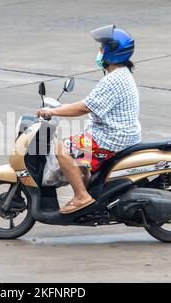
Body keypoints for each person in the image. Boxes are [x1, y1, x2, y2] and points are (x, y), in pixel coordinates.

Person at [36, 25, 141, 214]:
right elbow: (90, 102)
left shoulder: (112, 80)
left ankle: (81, 197)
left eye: (102, 48)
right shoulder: (122, 75)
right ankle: (87, 193)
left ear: (112, 51)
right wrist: (61, 108)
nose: (99, 52)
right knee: (81, 147)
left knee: (62, 147)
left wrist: (53, 112)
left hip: (112, 139)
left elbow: (84, 107)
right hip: (120, 135)